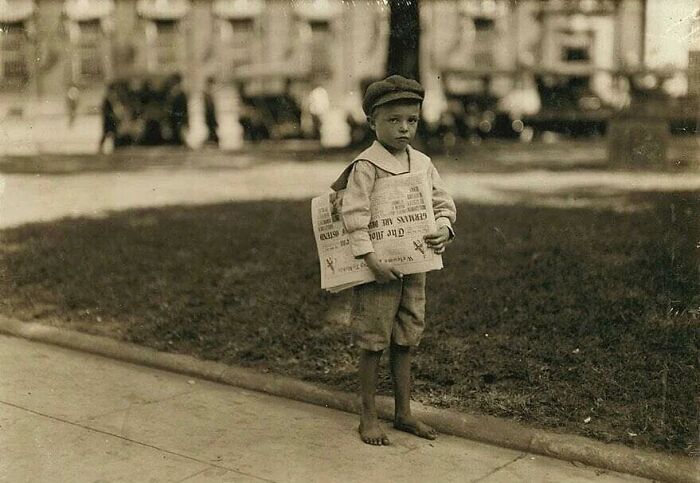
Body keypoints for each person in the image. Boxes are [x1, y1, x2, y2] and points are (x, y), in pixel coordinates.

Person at [330, 75, 457, 446]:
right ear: (372, 122)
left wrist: (445, 227)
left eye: (412, 120)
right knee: (373, 341)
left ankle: (404, 413)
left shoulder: (421, 162)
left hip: (414, 267)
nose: (404, 128)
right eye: (393, 120)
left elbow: (441, 202)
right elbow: (353, 215)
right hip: (377, 271)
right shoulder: (366, 165)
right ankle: (367, 416)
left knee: (406, 338)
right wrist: (370, 259)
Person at [203, 77, 219, 146]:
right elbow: (209, 105)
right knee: (211, 127)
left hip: (210, 113)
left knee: (212, 127)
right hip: (210, 113)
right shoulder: (208, 92)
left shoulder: (208, 92)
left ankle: (213, 140)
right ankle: (213, 140)